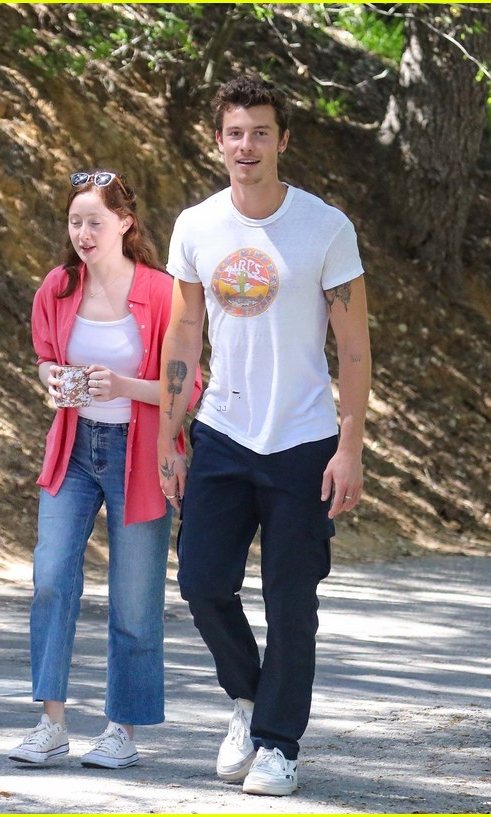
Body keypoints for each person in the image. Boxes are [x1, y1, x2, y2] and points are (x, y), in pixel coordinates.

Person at [157, 76, 371, 797]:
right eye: (234, 133)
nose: (246, 145)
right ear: (218, 141)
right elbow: (185, 329)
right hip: (221, 431)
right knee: (201, 582)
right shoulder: (196, 226)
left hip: (305, 440)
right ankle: (249, 700)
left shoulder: (325, 227)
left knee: (291, 600)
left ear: (284, 140)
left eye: (260, 132)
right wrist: (169, 431)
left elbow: (354, 346)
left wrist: (350, 444)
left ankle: (279, 743)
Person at [13, 169, 198, 770]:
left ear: (125, 223)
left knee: (135, 598)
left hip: (138, 453)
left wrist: (122, 385)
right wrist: (56, 380)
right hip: (74, 449)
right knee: (51, 578)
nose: (84, 233)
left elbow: (187, 386)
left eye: (95, 220)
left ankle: (122, 729)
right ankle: (51, 722)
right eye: (75, 222)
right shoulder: (58, 287)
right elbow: (44, 359)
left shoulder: (164, 292)